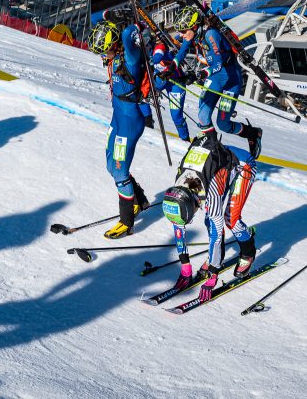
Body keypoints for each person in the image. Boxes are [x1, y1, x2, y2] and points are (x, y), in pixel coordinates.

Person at [162, 134, 258, 303]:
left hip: (242, 164)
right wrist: (185, 265)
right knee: (210, 219)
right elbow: (178, 225)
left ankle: (248, 252)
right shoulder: (178, 189)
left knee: (230, 220)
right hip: (215, 165)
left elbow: (217, 231)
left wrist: (213, 271)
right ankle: (217, 256)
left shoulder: (211, 192)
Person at [87, 19, 152, 239]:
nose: (103, 56)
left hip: (130, 122)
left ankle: (127, 222)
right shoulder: (114, 58)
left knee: (120, 172)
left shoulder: (130, 57)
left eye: (104, 51)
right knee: (110, 165)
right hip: (118, 118)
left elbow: (126, 34)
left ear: (114, 45)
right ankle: (139, 200)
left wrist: (137, 26)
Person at [173, 6, 262, 157]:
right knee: (203, 116)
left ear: (194, 27)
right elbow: (182, 51)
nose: (181, 35)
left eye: (183, 31)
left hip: (230, 80)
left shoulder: (211, 35)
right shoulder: (193, 34)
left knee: (224, 124)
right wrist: (171, 67)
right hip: (215, 78)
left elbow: (218, 64)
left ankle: (252, 133)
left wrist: (200, 74)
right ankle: (212, 148)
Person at [150, 39, 191, 142]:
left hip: (175, 83)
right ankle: (147, 125)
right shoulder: (147, 46)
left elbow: (158, 56)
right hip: (160, 79)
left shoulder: (162, 45)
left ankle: (185, 140)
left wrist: (149, 60)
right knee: (142, 96)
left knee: (176, 115)